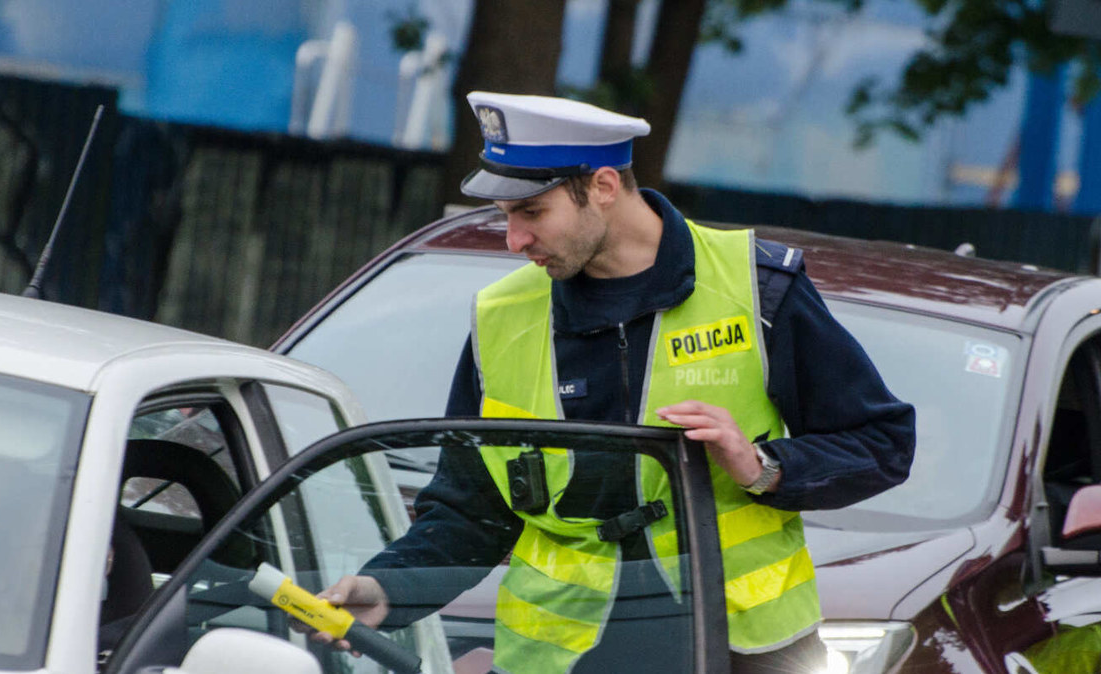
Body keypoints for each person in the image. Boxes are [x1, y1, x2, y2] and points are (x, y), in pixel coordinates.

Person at [315, 92, 916, 673]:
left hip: (742, 652)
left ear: (603, 186)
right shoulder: (502, 318)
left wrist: (762, 466)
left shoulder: (757, 289)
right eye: (506, 216)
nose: (514, 240)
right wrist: (388, 588)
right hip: (560, 659)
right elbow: (470, 509)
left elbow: (881, 443)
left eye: (532, 212)